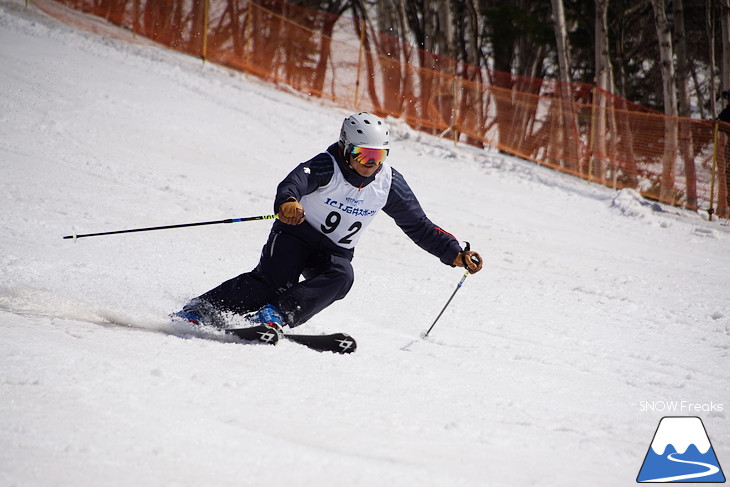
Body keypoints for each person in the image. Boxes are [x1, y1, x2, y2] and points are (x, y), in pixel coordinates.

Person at [173, 112, 483, 331]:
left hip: (334, 251)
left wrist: (454, 252)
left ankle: (276, 314)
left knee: (341, 277)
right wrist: (289, 203)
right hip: (296, 234)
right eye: (363, 156)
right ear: (347, 149)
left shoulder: (388, 184)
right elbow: (292, 183)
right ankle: (200, 309)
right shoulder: (327, 165)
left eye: (378, 156)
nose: (370, 165)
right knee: (272, 282)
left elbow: (419, 226)